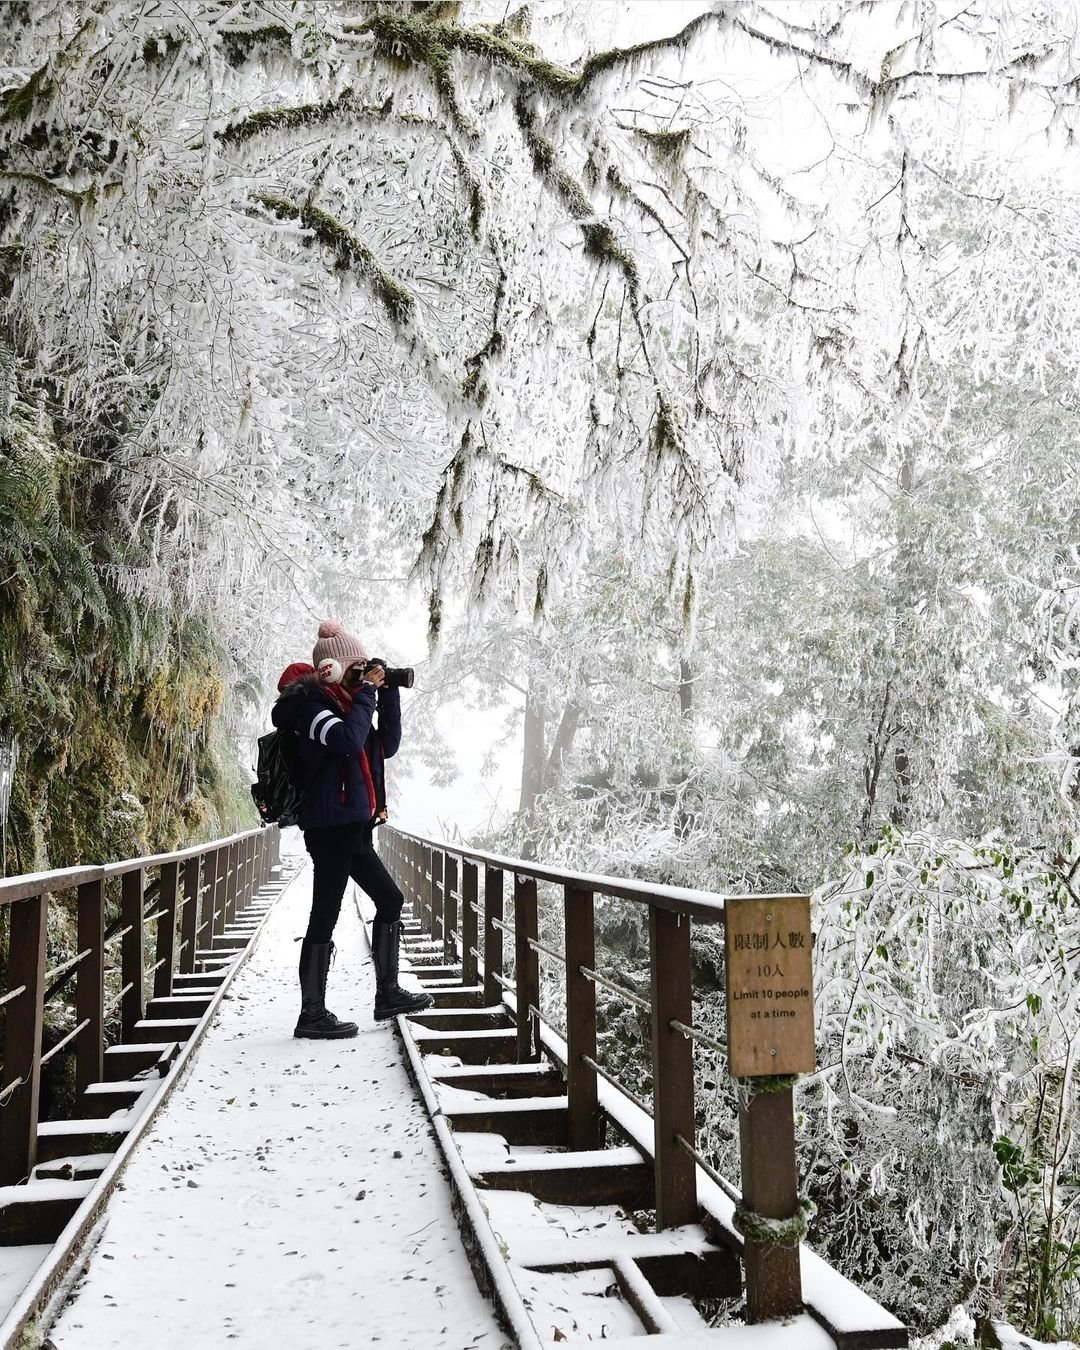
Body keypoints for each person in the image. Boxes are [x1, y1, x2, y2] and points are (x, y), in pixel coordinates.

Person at [272, 620, 433, 1038]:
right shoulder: (309, 706)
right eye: (356, 667)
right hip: (329, 828)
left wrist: (388, 693)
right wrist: (365, 695)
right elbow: (345, 741)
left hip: (353, 827)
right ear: (331, 668)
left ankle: (387, 993)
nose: (363, 674)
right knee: (325, 915)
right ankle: (312, 1014)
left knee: (390, 899)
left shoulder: (347, 704)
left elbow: (385, 746)